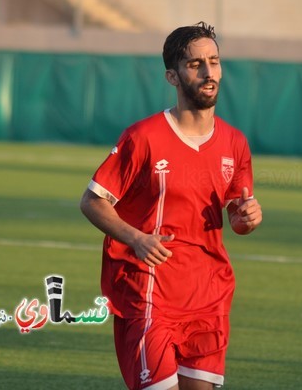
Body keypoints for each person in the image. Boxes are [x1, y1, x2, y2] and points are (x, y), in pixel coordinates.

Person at [80, 21, 262, 390]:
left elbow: (235, 218)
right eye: (196, 64)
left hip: (209, 294)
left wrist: (247, 218)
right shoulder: (143, 137)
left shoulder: (235, 143)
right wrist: (136, 238)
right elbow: (92, 201)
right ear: (172, 77)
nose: (209, 72)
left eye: (214, 61)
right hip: (151, 294)